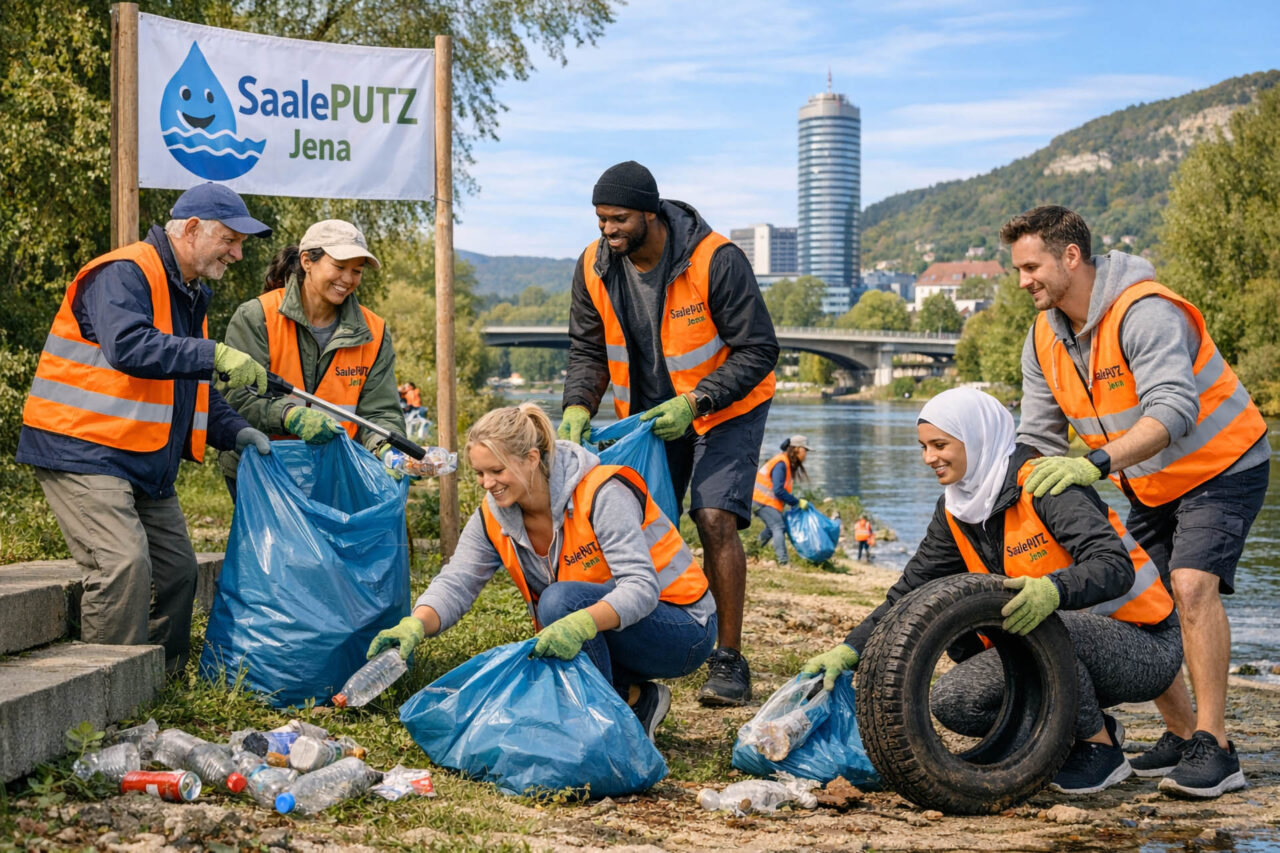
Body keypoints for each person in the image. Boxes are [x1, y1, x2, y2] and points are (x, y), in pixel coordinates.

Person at [1003, 205, 1270, 799]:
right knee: (1136, 598)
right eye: (1017, 269)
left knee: (1192, 585)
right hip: (1149, 481)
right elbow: (1039, 438)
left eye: (1031, 267)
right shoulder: (1043, 338)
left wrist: (1093, 463)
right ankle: (1178, 734)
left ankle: (1216, 747)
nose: (1023, 281)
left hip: (1222, 465)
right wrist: (1006, 485)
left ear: (1071, 256)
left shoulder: (1145, 311)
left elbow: (1174, 410)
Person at [802, 388, 1182, 795]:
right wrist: (851, 649)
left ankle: (1100, 752)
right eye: (923, 447)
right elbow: (910, 591)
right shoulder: (955, 509)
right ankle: (1081, 727)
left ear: (977, 436)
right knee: (954, 701)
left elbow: (1114, 567)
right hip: (1060, 645)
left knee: (1047, 625)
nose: (928, 458)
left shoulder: (1043, 484)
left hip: (1144, 645)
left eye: (940, 445)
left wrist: (1052, 590)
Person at [16, 182, 274, 674]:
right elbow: (130, 347)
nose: (238, 254)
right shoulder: (124, 272)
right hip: (81, 447)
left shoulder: (189, 291)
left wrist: (236, 429)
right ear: (193, 229)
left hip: (140, 456)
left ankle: (161, 678)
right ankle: (107, 692)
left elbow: (187, 388)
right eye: (231, 239)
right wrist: (212, 353)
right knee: (124, 565)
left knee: (178, 572)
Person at [558, 161, 779, 706]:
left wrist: (697, 400)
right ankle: (637, 650)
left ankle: (728, 660)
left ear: (650, 214)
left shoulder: (716, 260)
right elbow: (588, 350)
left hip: (725, 408)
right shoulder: (593, 266)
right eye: (600, 220)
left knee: (713, 516)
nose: (607, 230)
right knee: (635, 522)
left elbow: (759, 349)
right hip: (650, 418)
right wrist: (577, 406)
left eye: (618, 219)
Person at [367, 404, 717, 740]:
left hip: (684, 628)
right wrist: (417, 622)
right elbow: (457, 581)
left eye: (497, 471)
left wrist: (581, 623)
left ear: (531, 459)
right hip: (610, 626)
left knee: (560, 601)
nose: (487, 483)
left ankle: (608, 728)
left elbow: (640, 587)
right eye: (479, 473)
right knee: (551, 631)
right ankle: (635, 701)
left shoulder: (601, 491)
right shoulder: (493, 516)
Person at [220, 219, 407, 495]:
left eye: (357, 271)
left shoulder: (374, 331)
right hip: (263, 470)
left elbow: (380, 411)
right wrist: (290, 415)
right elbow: (237, 399)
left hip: (334, 475)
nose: (348, 279)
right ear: (307, 261)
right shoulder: (257, 317)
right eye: (339, 267)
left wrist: (385, 447)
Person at [751, 435, 811, 566]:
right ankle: (783, 562)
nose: (805, 454)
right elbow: (778, 490)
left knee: (771, 528)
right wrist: (796, 502)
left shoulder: (785, 463)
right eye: (805, 450)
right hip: (759, 500)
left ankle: (750, 551)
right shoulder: (781, 464)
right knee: (779, 526)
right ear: (797, 449)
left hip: (761, 500)